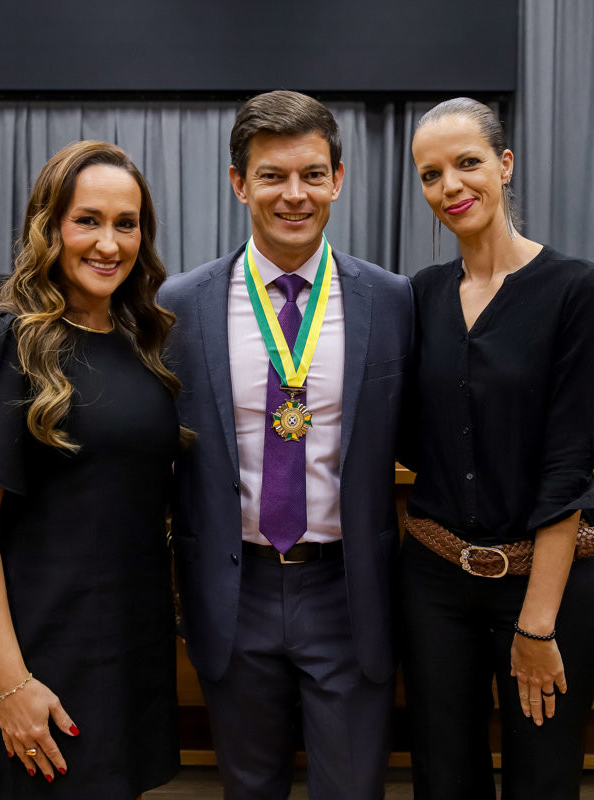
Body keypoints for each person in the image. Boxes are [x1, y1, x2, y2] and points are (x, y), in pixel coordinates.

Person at [158, 90, 413, 799]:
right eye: (272, 175)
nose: (292, 195)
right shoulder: (179, 306)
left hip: (347, 590)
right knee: (249, 788)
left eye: (310, 174)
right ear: (239, 183)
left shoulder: (392, 302)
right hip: (232, 592)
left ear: (338, 178)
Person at [0, 140, 184, 798]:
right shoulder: (2, 339)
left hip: (130, 647)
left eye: (126, 223)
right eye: (87, 220)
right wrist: (10, 684)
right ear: (49, 226)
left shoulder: (142, 341)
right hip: (44, 655)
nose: (109, 243)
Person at [398, 97, 594, 799]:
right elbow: (407, 432)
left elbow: (566, 470)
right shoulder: (420, 295)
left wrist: (537, 624)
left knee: (541, 784)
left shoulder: (576, 289)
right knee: (443, 782)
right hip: (433, 583)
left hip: (542, 588)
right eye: (432, 175)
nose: (451, 188)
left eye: (468, 164)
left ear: (505, 165)